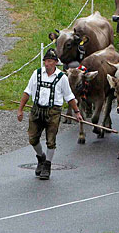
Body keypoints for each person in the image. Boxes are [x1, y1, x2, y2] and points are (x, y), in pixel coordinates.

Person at [17, 48, 83, 180]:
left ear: (55, 62)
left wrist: (77, 112)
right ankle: (41, 157)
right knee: (32, 139)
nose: (47, 64)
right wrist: (20, 109)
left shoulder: (62, 78)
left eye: (49, 61)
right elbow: (27, 92)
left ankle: (47, 165)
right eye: (45, 61)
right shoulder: (37, 74)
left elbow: (69, 96)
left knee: (51, 141)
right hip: (36, 110)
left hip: (53, 112)